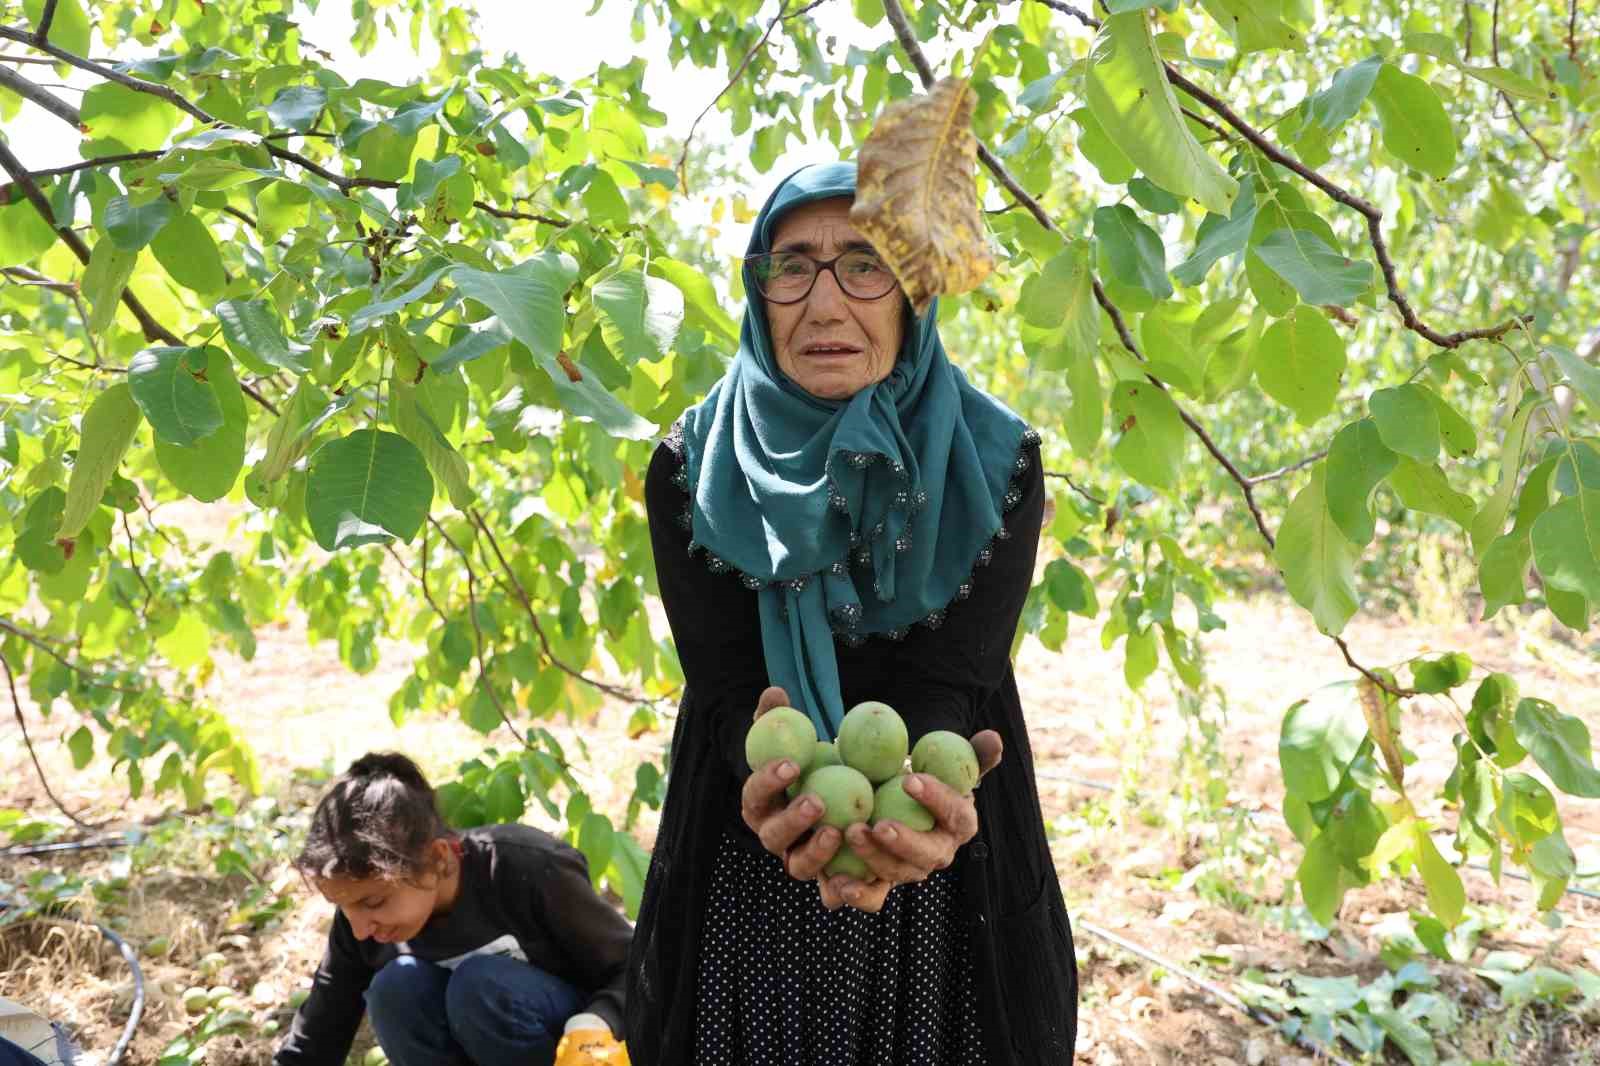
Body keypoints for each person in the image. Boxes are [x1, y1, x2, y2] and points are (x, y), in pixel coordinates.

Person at [625, 161, 1076, 1065]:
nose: (824, 305)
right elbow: (728, 695)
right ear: (760, 290)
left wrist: (916, 820)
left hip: (945, 865)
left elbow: (953, 680)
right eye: (792, 265)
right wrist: (780, 796)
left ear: (914, 292)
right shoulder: (692, 467)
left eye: (865, 263)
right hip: (751, 855)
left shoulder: (998, 466)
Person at [272, 752, 632, 1066]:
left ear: (436, 858)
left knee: (480, 986)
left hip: (577, 1046)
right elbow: (319, 1033)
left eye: (374, 902)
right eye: (345, 907)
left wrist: (597, 1023)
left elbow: (636, 967)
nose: (361, 929)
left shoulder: (525, 868)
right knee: (395, 989)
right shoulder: (363, 919)